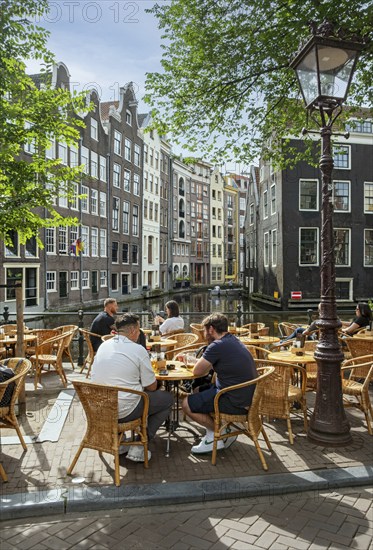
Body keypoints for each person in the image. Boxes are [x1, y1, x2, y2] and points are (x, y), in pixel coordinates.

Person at [91, 313, 173, 462]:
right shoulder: (138, 350)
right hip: (124, 411)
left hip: (99, 408)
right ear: (135, 331)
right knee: (167, 399)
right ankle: (141, 444)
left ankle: (119, 441)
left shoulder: (104, 345)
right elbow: (151, 386)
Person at [182, 313, 258, 454]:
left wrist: (191, 362)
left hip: (235, 401)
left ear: (211, 329)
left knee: (186, 404)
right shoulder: (230, 340)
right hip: (244, 395)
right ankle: (221, 429)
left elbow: (197, 371)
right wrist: (191, 360)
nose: (204, 334)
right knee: (198, 390)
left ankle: (215, 436)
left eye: (205, 331)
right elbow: (209, 364)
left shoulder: (216, 346)